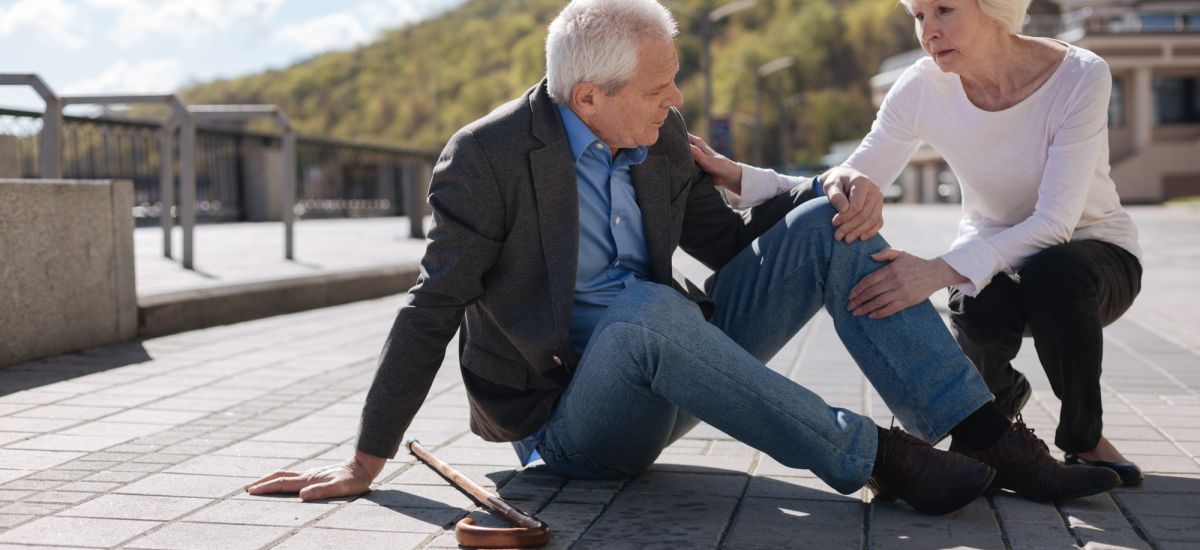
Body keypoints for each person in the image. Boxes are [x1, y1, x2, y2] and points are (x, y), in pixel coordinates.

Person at [245, 0, 1121, 516]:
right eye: (660, 89)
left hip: (681, 361)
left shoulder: (658, 139)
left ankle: (986, 438)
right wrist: (367, 461)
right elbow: (428, 310)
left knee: (824, 222)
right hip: (571, 426)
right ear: (589, 97)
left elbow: (737, 248)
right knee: (645, 311)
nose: (676, 106)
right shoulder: (487, 161)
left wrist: (830, 194)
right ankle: (877, 460)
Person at [690, 0, 1144, 486]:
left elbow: (1055, 222)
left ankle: (1084, 440)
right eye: (918, 16)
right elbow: (852, 177)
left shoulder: (1078, 75)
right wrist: (742, 177)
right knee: (977, 303)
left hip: (1094, 255)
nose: (928, 32)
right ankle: (1000, 414)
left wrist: (935, 269)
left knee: (1053, 270)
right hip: (993, 255)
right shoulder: (924, 84)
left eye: (944, 10)